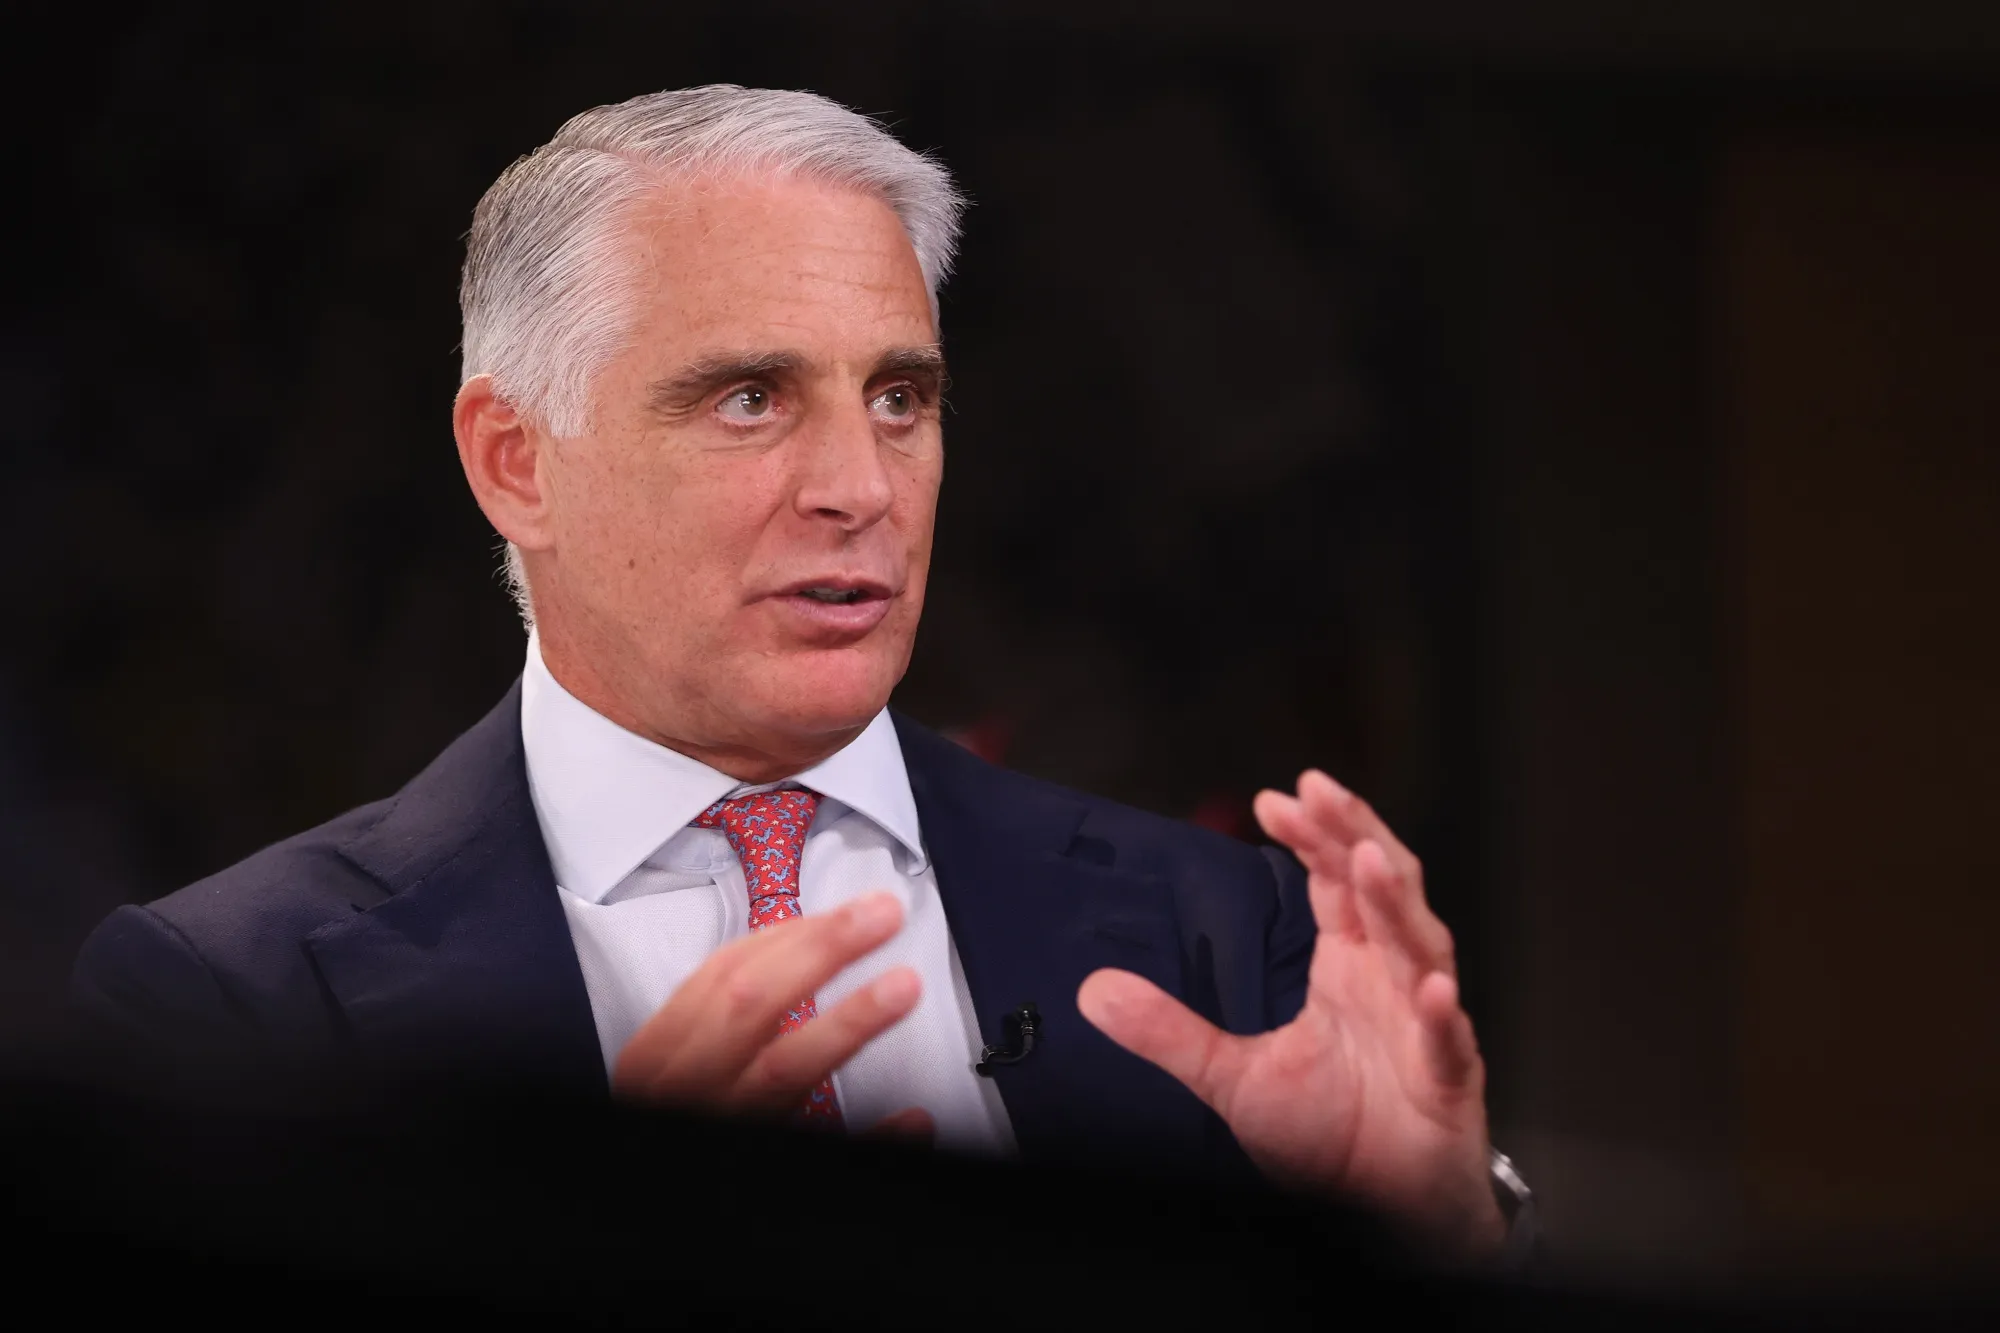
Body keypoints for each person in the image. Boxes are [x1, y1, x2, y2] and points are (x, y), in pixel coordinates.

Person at [72, 85, 1530, 1265]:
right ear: (516, 462)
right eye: (750, 398)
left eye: (899, 398)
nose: (861, 487)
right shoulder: (231, 1006)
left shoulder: (1222, 930)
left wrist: (1438, 1245)